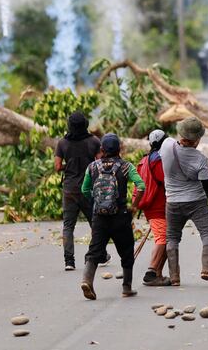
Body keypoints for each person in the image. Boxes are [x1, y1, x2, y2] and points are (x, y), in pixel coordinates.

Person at [159, 117, 208, 288]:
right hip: (197, 202)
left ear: (180, 133)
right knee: (207, 234)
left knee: (172, 237)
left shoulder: (166, 146)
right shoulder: (201, 159)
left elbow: (162, 138)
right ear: (197, 140)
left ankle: (174, 277)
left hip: (173, 202)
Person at [79, 134, 145, 299]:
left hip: (99, 217)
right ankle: (127, 287)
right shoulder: (126, 167)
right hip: (120, 216)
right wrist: (134, 206)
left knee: (94, 250)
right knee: (127, 250)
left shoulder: (92, 167)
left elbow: (84, 190)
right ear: (119, 149)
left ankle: (87, 280)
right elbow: (141, 186)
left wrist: (97, 202)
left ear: (102, 150)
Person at [55, 111, 105, 271]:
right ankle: (101, 255)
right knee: (95, 223)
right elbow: (100, 162)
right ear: (85, 124)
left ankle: (69, 261)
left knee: (68, 225)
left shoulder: (62, 143)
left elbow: (57, 167)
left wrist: (68, 165)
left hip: (69, 189)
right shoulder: (94, 141)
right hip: (88, 189)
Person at [134, 129, 170, 286]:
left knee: (168, 239)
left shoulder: (145, 160)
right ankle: (151, 272)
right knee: (162, 238)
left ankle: (158, 275)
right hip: (158, 206)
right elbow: (168, 183)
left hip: (149, 206)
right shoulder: (159, 161)